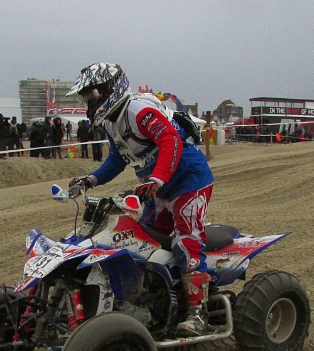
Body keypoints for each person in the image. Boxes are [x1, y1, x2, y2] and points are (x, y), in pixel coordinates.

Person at [67, 63, 215, 336]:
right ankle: (154, 300)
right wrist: (91, 180)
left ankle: (198, 313)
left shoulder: (137, 110)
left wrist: (156, 179)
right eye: (85, 97)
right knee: (140, 242)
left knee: (186, 241)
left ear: (109, 90)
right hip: (159, 189)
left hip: (189, 181)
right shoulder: (112, 121)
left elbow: (170, 140)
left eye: (92, 95)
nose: (88, 102)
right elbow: (116, 159)